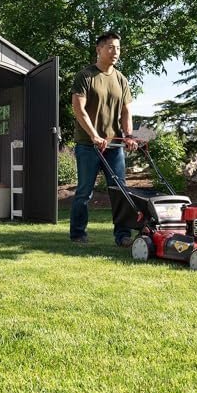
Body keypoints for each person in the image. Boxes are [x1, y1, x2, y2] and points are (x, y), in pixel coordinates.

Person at [70, 31, 138, 246]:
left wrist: (128, 136)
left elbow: (126, 112)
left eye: (118, 48)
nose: (115, 52)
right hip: (88, 145)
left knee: (120, 191)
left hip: (114, 146)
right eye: (110, 47)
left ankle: (123, 235)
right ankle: (78, 234)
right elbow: (78, 109)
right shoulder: (85, 76)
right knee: (84, 192)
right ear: (99, 49)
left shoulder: (121, 79)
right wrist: (94, 135)